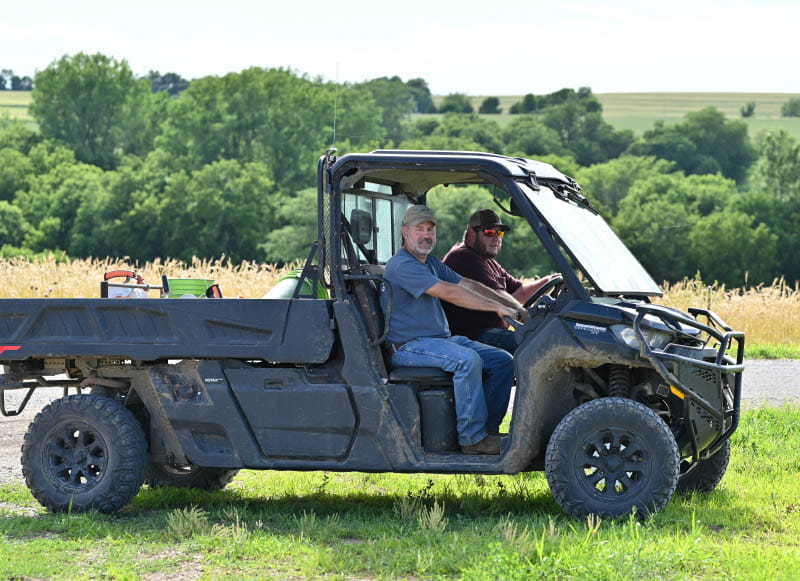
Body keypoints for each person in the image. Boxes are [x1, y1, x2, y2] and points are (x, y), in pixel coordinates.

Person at [382, 205, 522, 455]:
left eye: (430, 230)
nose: (426, 235)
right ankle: (471, 439)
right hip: (410, 346)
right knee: (467, 361)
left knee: (502, 361)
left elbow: (468, 284)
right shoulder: (402, 265)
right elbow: (450, 292)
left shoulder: (431, 263)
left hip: (439, 341)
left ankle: (488, 433)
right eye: (419, 230)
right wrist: (496, 308)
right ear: (405, 232)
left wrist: (512, 305)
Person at [443, 208, 560, 354]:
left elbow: (518, 292)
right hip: (473, 338)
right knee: (540, 347)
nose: (497, 238)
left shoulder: (487, 261)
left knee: (548, 341)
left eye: (500, 233)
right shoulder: (463, 257)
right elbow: (497, 295)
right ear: (472, 234)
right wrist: (524, 314)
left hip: (491, 334)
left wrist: (551, 280)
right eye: (490, 232)